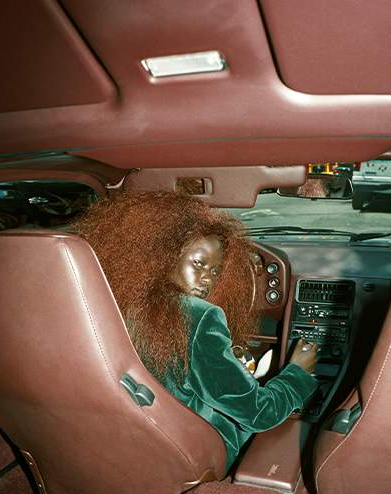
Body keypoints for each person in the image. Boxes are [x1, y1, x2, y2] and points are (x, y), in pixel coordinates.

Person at [75, 191, 318, 470]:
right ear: (164, 257)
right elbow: (257, 412)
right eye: (199, 264)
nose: (207, 280)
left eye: (215, 272)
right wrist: (297, 373)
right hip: (196, 453)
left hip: (128, 445)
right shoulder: (200, 317)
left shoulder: (112, 302)